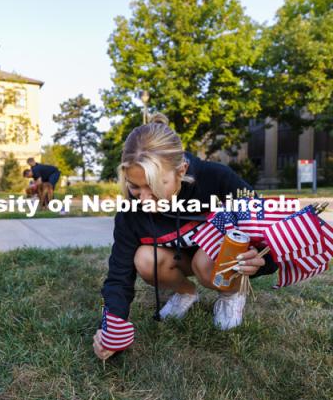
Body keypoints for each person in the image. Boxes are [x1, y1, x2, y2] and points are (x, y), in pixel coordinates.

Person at [93, 114, 278, 362]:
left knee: (204, 261)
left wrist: (261, 262)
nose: (144, 199)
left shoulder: (218, 179)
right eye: (135, 186)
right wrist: (111, 326)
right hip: (177, 259)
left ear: (182, 170)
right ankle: (186, 292)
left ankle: (231, 294)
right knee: (144, 258)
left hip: (213, 259)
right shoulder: (131, 210)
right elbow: (118, 276)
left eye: (156, 185)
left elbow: (271, 234)